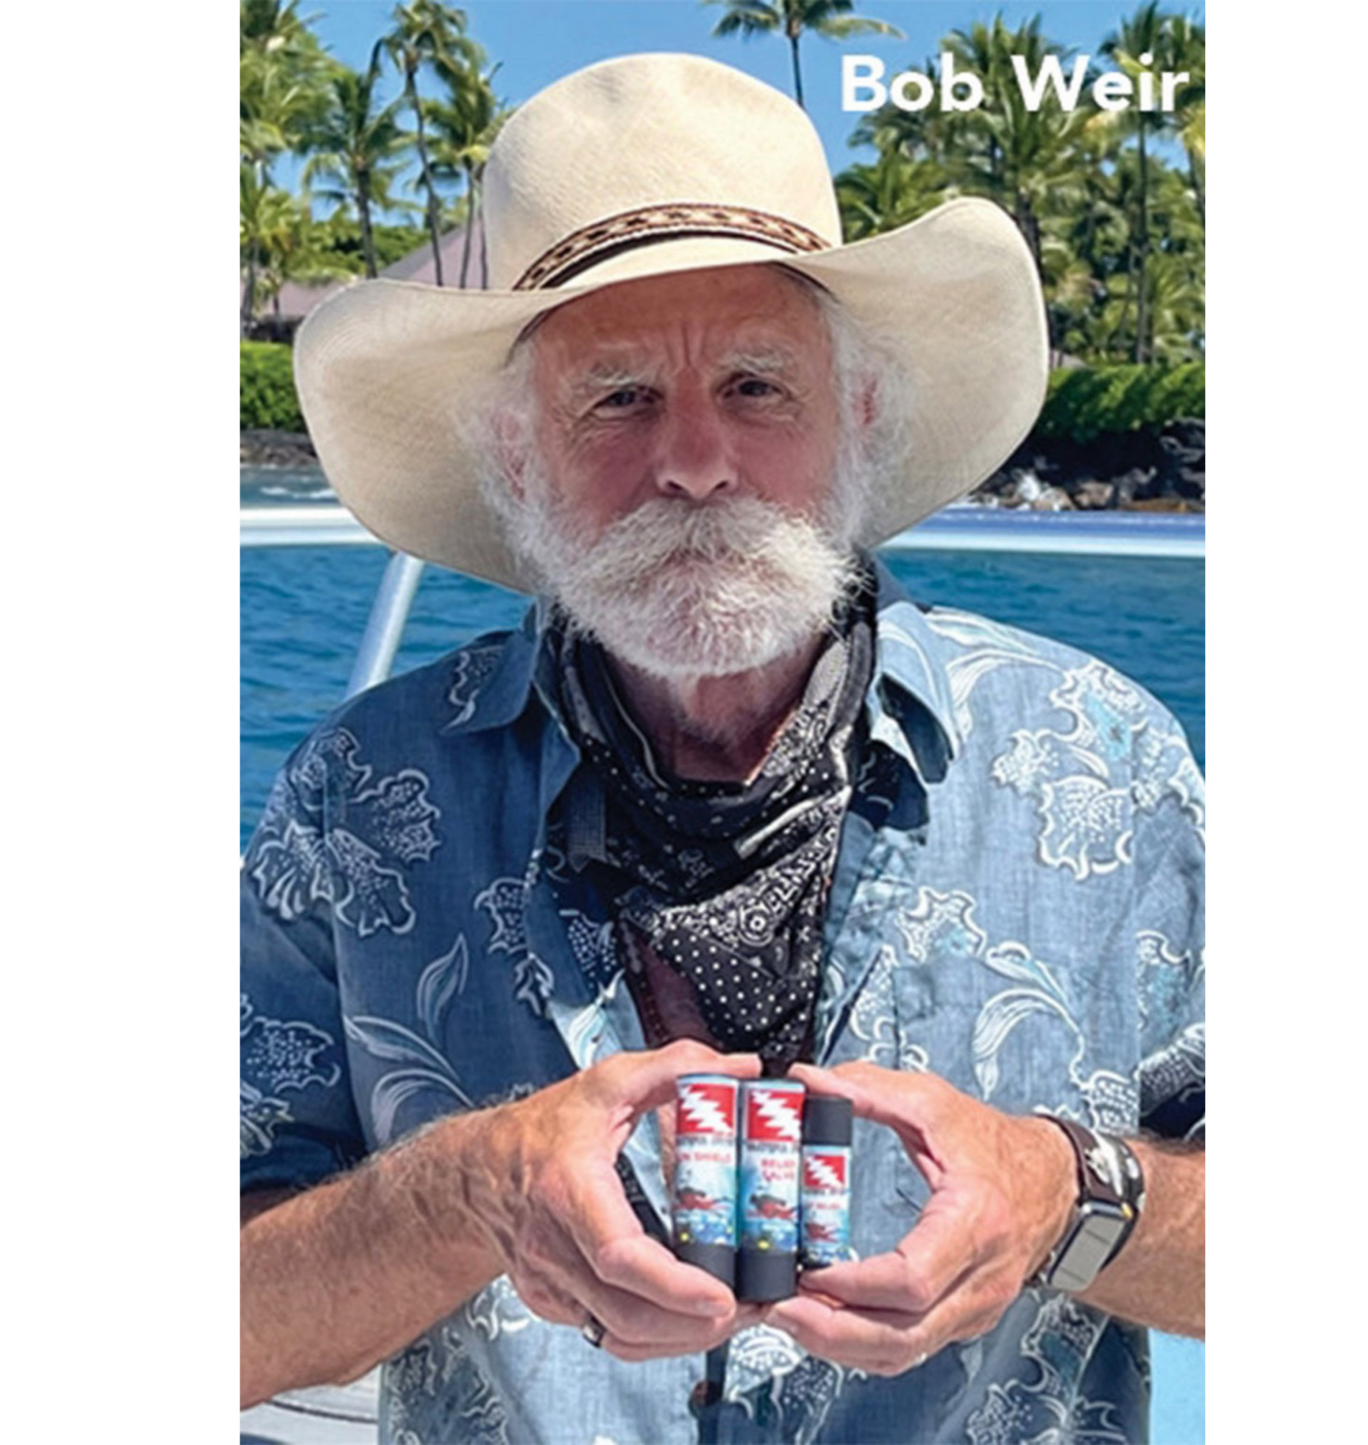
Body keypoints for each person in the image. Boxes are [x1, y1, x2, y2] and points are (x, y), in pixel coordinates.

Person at [238, 53, 1207, 1444]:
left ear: (859, 417)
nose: (697, 460)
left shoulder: (1104, 761)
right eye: (618, 400)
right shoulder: (363, 800)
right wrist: (460, 1196)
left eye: (758, 385)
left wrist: (1075, 1196)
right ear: (516, 459)